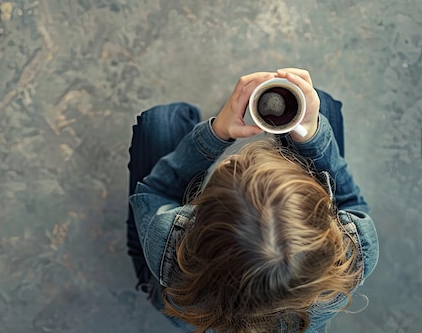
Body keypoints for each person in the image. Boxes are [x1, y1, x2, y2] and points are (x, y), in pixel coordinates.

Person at [126, 68, 379, 333]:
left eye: (230, 166)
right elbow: (351, 201)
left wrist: (215, 135)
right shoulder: (353, 257)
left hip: (176, 296)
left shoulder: (168, 243)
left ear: (199, 222)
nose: (235, 156)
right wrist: (312, 141)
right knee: (320, 104)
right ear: (327, 227)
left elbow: (154, 191)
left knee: (161, 121)